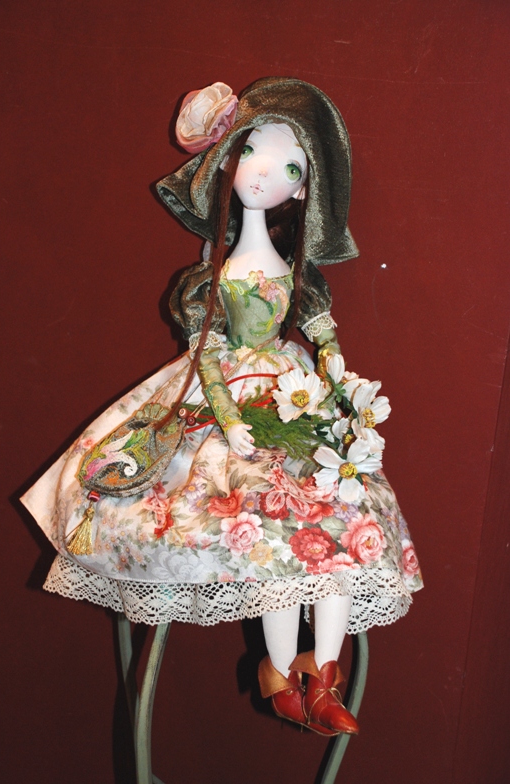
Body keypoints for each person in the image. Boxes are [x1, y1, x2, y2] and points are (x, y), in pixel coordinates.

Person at [22, 78, 422, 737]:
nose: (262, 173)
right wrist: (230, 419)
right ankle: (280, 674)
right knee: (262, 540)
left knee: (333, 529)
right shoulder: (207, 280)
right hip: (227, 398)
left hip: (291, 395)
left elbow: (325, 340)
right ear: (227, 164)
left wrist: (342, 389)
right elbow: (207, 358)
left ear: (302, 190)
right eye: (251, 153)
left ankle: (321, 677)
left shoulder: (299, 279)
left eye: (288, 167)